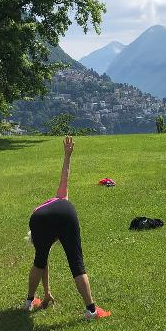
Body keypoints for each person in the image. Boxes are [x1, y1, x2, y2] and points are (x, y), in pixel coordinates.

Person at [24, 136, 111, 320]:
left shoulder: (38, 225)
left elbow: (43, 263)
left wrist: (47, 292)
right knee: (76, 263)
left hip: (38, 219)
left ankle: (29, 302)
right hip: (66, 212)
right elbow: (65, 177)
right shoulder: (60, 198)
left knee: (39, 260)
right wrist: (67, 156)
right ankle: (91, 311)